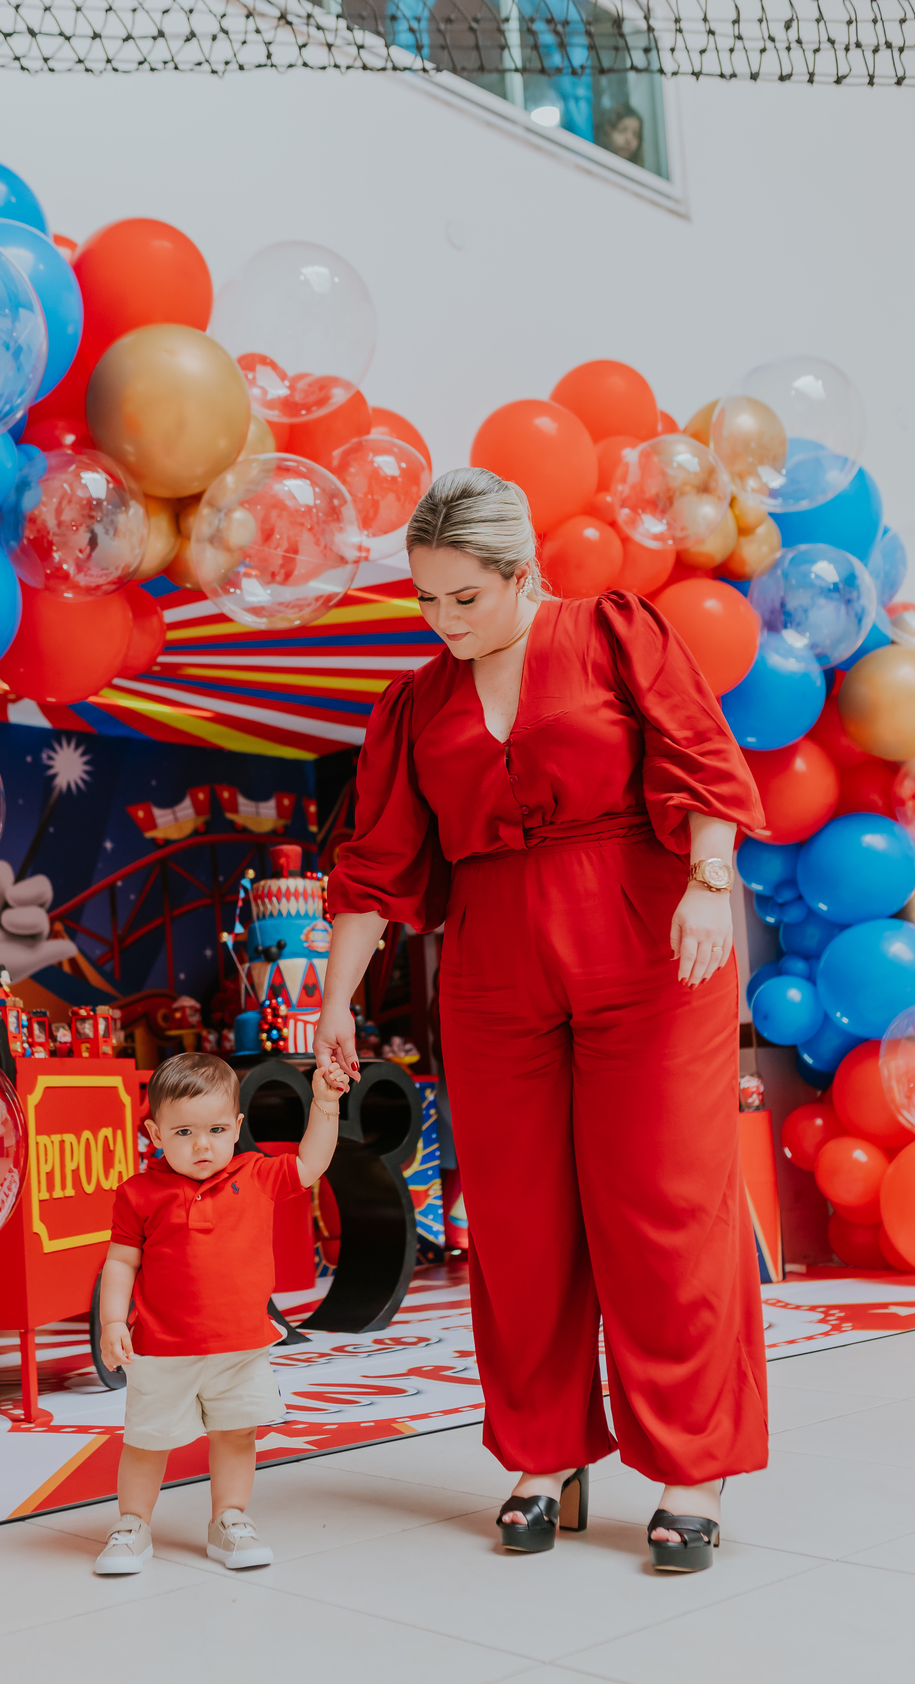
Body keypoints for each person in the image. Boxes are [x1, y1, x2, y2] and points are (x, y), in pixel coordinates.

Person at [315, 468, 769, 1575]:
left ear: (525, 575)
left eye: (465, 598)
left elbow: (703, 763)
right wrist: (334, 1001)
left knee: (662, 1204)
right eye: (425, 600)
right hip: (492, 964)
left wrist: (710, 879)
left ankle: (688, 1467)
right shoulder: (415, 703)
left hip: (651, 941)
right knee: (517, 1222)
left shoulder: (616, 633)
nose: (443, 621)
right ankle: (543, 1456)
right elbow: (375, 865)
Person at [93, 1051, 349, 1575]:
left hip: (242, 1347)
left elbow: (311, 1163)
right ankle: (132, 1524)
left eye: (214, 1129)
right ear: (155, 1133)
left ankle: (229, 1519)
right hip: (162, 1351)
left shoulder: (254, 1175)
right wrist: (113, 1321)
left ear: (236, 1127)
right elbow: (121, 1261)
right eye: (183, 1132)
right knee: (147, 1442)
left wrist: (325, 1104)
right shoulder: (140, 1193)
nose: (201, 1145)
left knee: (237, 1434)